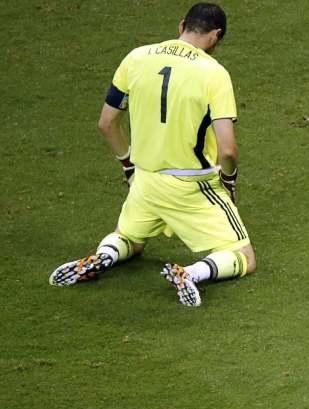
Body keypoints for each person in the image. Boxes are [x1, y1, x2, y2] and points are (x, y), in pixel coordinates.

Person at [49, 3, 255, 307]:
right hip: (191, 188)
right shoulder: (214, 73)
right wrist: (229, 180)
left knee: (130, 240)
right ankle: (191, 273)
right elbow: (228, 149)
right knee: (244, 256)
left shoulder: (136, 57)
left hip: (145, 183)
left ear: (181, 25)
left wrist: (128, 166)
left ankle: (105, 254)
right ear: (216, 36)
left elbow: (106, 123)